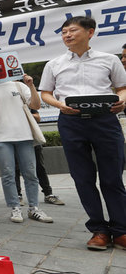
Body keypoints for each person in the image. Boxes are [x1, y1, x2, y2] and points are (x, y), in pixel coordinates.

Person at [40, 16, 126, 251]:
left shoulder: (108, 60)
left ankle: (121, 231)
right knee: (83, 178)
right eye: (64, 31)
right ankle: (98, 230)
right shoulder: (54, 64)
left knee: (112, 178)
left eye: (73, 30)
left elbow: (122, 87)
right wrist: (60, 106)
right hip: (71, 122)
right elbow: (45, 93)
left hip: (105, 121)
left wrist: (121, 101)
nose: (67, 35)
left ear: (90, 32)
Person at [0, 75, 53, 224]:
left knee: (30, 173)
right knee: (8, 174)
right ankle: (15, 207)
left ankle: (34, 208)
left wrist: (32, 85)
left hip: (24, 135)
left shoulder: (19, 86)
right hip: (1, 137)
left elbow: (36, 105)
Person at [14, 110, 65, 206]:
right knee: (15, 168)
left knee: (39, 167)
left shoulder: (26, 100)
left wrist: (25, 114)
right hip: (14, 139)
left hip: (32, 138)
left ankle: (48, 194)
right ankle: (18, 196)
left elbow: (38, 118)